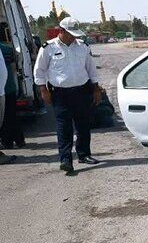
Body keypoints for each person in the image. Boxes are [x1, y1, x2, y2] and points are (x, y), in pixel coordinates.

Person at [34, 17, 102, 174]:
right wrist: (43, 91)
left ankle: (84, 154)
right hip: (60, 94)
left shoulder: (83, 47)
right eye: (70, 33)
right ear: (61, 31)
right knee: (64, 127)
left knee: (83, 125)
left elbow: (91, 69)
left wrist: (96, 89)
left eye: (75, 34)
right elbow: (39, 71)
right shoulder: (48, 48)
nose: (73, 37)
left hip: (82, 91)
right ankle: (65, 160)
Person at [0, 27, 26, 149]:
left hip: (2, 90)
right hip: (10, 87)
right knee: (13, 115)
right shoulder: (7, 49)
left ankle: (7, 142)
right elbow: (14, 68)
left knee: (4, 118)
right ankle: (20, 140)